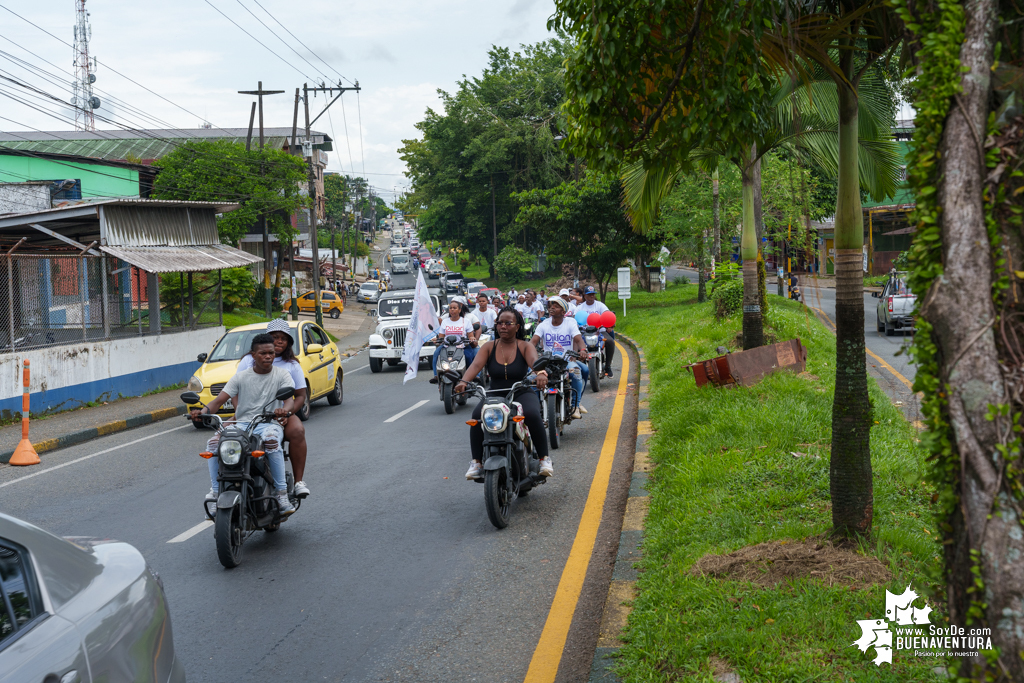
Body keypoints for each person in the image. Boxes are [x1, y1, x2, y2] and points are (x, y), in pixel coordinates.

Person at [193, 333, 296, 515]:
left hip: (268, 423)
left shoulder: (282, 375)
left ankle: (281, 494)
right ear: (253, 355)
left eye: (271, 353)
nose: (268, 356)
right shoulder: (240, 378)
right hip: (241, 425)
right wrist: (202, 413)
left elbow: (288, 400)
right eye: (263, 353)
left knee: (272, 441)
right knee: (214, 444)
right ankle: (216, 492)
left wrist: (284, 410)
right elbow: (217, 401)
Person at [456, 306, 553, 479]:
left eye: (508, 323)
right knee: (477, 416)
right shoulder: (488, 347)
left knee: (531, 414)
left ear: (517, 326)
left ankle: (543, 458)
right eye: (499, 323)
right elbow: (476, 366)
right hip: (495, 394)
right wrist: (464, 381)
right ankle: (476, 462)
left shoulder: (525, 346)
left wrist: (540, 374)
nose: (503, 327)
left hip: (521, 392)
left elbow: (535, 362)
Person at [230, 319, 312, 497]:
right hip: (248, 413)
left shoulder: (292, 365)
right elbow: (235, 389)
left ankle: (297, 482)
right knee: (220, 437)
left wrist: (287, 414)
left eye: (284, 338)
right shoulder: (247, 361)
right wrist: (239, 412)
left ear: (289, 342)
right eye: (275, 337)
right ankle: (219, 488)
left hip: (279, 413)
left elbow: (300, 396)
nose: (279, 341)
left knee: (297, 431)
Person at [531, 296, 590, 418]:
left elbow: (578, 339)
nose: (552, 307)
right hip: (547, 362)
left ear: (563, 312)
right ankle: (536, 407)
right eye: (551, 305)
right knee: (530, 379)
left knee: (581, 371)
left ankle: (575, 404)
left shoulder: (571, 322)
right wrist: (528, 354)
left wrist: (583, 350)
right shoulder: (543, 324)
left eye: (556, 306)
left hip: (566, 361)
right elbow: (533, 342)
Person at [432, 298, 480, 376]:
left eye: (455, 308)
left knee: (468, 357)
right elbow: (441, 337)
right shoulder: (445, 321)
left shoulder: (466, 321)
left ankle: (471, 376)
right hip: (447, 347)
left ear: (459, 310)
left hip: (462, 346)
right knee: (436, 354)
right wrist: (437, 340)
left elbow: (471, 335)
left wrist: (471, 338)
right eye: (450, 308)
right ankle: (436, 376)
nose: (452, 310)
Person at [577, 285, 616, 378]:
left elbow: (607, 314)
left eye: (593, 294)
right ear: (584, 295)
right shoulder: (579, 307)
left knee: (610, 342)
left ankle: (608, 366)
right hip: (584, 333)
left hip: (600, 332)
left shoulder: (600, 305)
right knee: (576, 344)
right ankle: (577, 366)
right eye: (589, 294)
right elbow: (574, 319)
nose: (591, 296)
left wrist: (609, 325)